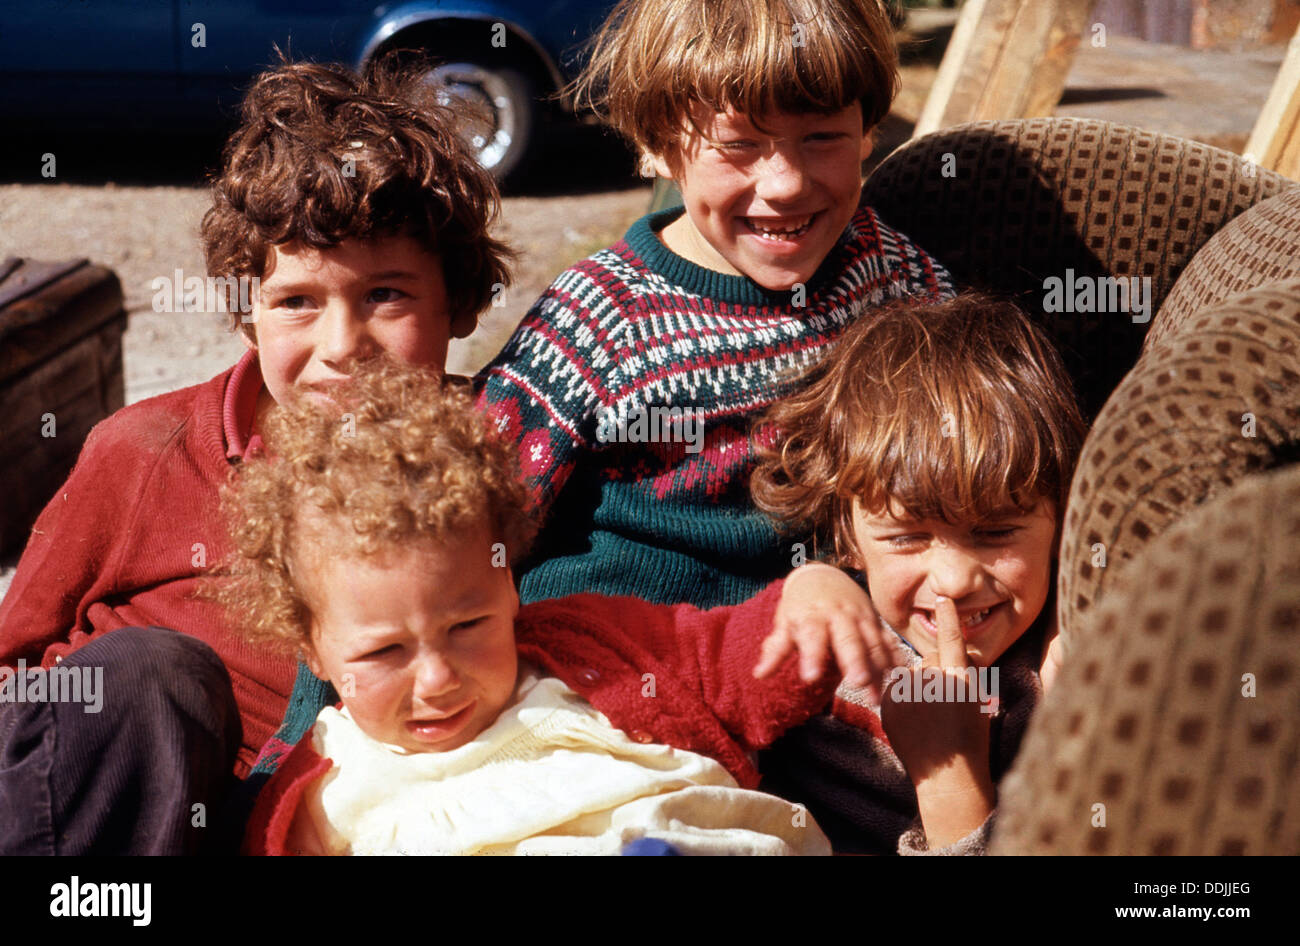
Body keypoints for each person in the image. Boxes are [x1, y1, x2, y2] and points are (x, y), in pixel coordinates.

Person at [0, 56, 510, 854]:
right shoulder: (144, 452)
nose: (344, 348)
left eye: (387, 294)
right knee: (146, 674)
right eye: (297, 302)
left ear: (461, 302)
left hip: (320, 827)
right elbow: (17, 671)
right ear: (247, 316)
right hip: (103, 830)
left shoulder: (490, 467)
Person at [227, 360, 892, 855]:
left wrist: (809, 600)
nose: (437, 678)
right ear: (312, 648)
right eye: (383, 651)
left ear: (507, 582)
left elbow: (739, 663)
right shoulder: (318, 798)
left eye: (468, 626)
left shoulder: (594, 652)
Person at [476, 0, 953, 610]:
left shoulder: (891, 274)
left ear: (867, 134)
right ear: (657, 146)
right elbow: (457, 523)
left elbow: (984, 445)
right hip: (617, 664)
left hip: (830, 651)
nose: (785, 184)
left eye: (823, 137)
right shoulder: (597, 319)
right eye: (739, 144)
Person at [750, 294, 1088, 853]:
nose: (953, 581)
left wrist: (949, 781)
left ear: (1063, 511)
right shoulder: (821, 658)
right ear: (847, 534)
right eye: (907, 537)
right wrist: (806, 586)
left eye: (996, 531)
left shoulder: (1074, 670)